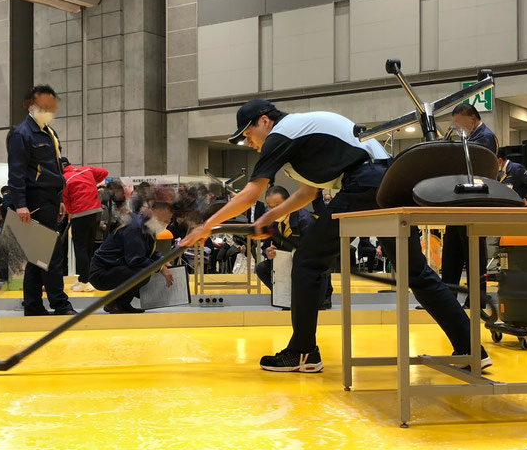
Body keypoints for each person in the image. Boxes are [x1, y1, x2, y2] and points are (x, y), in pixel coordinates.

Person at [182, 99, 490, 373]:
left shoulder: (282, 133)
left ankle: (302, 351)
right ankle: (471, 347)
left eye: (248, 134)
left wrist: (206, 226)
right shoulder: (302, 135)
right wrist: (270, 216)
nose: (249, 143)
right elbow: (309, 192)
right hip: (388, 183)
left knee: (307, 261)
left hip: (364, 184)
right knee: (415, 273)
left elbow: (251, 192)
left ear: (265, 121)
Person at [6, 84, 76, 316]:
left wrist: (60, 199)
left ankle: (33, 306)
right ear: (32, 106)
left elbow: (54, 168)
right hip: (34, 200)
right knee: (51, 255)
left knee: (38, 257)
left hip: (50, 198)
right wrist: (21, 204)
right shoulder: (21, 133)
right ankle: (60, 305)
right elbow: (16, 173)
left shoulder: (49, 133)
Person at [442, 103, 498, 309]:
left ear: (472, 119)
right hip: (459, 202)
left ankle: (477, 298)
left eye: (459, 122)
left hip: (473, 201)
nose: (455, 126)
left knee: (473, 252)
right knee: (452, 251)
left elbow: (475, 167)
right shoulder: (468, 138)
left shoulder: (484, 138)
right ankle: (447, 298)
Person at [89, 201, 175, 313]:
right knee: (143, 273)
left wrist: (162, 260)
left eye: (169, 220)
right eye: (164, 220)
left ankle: (122, 303)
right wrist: (160, 267)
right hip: (102, 273)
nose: (166, 223)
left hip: (114, 268)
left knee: (146, 271)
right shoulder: (135, 227)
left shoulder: (145, 226)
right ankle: (114, 302)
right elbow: (135, 260)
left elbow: (148, 251)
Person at [256, 185, 333, 307]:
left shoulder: (305, 220)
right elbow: (265, 247)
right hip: (286, 263)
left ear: (288, 203)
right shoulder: (270, 222)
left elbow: (317, 253)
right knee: (261, 268)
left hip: (307, 264)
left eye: (277, 206)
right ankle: (284, 295)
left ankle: (322, 297)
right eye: (269, 206)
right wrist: (268, 252)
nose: (273, 210)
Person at [61, 156, 109, 292]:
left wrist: (71, 213)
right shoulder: (86, 170)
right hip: (96, 211)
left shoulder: (64, 178)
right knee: (89, 246)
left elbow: (66, 200)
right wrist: (92, 182)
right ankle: (86, 278)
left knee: (80, 248)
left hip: (80, 213)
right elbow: (104, 172)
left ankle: (85, 281)